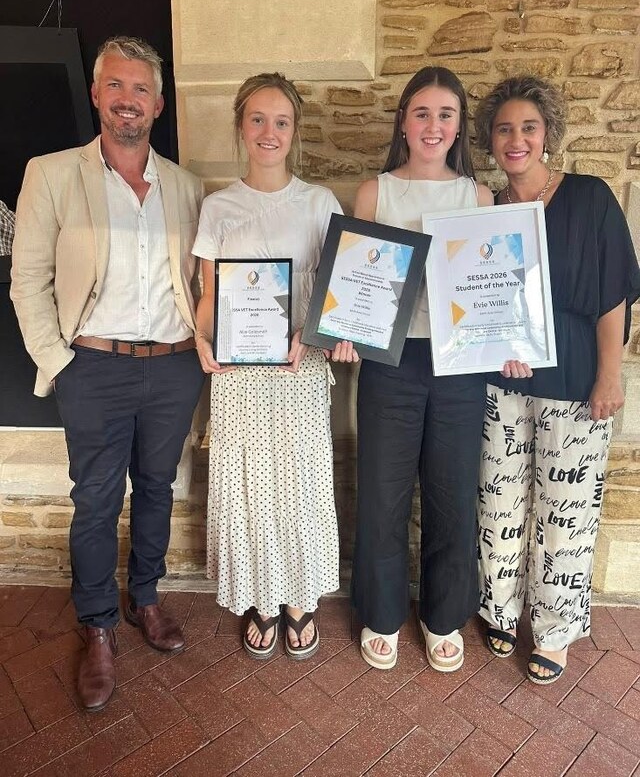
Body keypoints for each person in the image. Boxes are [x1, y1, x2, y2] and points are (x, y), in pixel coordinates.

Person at [10, 36, 205, 711]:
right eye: (116, 86)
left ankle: (144, 598)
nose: (128, 99)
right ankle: (97, 626)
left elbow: (203, 282)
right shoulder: (52, 174)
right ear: (97, 94)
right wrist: (60, 363)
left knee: (156, 487)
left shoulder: (186, 186)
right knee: (95, 499)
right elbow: (28, 279)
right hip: (92, 366)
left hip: (173, 365)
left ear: (158, 103)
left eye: (141, 88)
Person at [475, 75, 640, 684]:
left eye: (528, 127)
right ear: (490, 140)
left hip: (575, 380)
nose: (516, 139)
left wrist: (610, 377)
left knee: (564, 516)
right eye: (504, 129)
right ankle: (498, 608)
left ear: (547, 134)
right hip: (501, 384)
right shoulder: (485, 211)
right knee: (499, 505)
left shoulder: (590, 197)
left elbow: (613, 296)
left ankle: (554, 631)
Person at [192, 72, 357, 660]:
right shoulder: (219, 207)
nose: (269, 132)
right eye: (258, 119)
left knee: (299, 483)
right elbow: (210, 295)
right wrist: (201, 338)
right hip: (238, 377)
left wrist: (316, 333)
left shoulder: (319, 203)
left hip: (298, 369)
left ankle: (299, 596)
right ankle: (262, 597)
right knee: (249, 486)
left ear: (294, 130)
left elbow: (339, 294)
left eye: (281, 122)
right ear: (241, 126)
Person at [351, 66, 494, 672]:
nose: (433, 126)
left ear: (458, 127)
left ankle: (444, 615)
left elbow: (490, 291)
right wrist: (346, 332)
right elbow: (356, 284)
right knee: (383, 492)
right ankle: (381, 612)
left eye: (446, 115)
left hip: (459, 364)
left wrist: (508, 338)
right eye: (422, 113)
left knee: (452, 493)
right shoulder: (374, 193)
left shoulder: (479, 199)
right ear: (403, 122)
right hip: (391, 361)